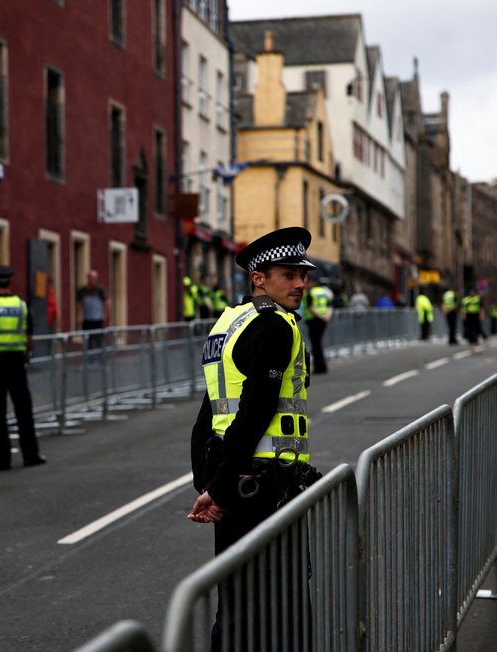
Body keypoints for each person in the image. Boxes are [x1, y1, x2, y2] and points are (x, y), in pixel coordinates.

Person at [187, 226, 322, 650]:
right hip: (265, 488)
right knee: (285, 607)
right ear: (259, 278)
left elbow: (208, 413)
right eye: (289, 274)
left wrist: (209, 483)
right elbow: (254, 410)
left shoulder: (229, 322)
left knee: (236, 602)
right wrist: (221, 490)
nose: (301, 283)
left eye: (303, 274)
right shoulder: (277, 327)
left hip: (237, 480)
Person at [0, 264, 46, 471]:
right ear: (10, 281)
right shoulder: (21, 305)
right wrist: (24, 353)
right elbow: (29, 336)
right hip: (16, 362)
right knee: (24, 410)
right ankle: (31, 456)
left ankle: (2, 461)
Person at [303, 275, 333, 374]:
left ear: (311, 283)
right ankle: (322, 366)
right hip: (323, 320)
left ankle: (319, 367)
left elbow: (310, 308)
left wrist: (320, 316)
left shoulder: (310, 292)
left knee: (316, 345)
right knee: (318, 344)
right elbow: (329, 305)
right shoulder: (324, 292)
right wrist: (326, 317)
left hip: (313, 320)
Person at [76, 270, 109, 350]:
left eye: (94, 278)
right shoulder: (82, 290)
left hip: (98, 320)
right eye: (91, 278)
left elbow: (107, 302)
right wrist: (79, 316)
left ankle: (101, 360)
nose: (92, 280)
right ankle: (90, 360)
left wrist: (104, 314)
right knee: (88, 341)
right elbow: (78, 304)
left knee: (99, 341)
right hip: (87, 320)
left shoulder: (100, 289)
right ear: (88, 278)